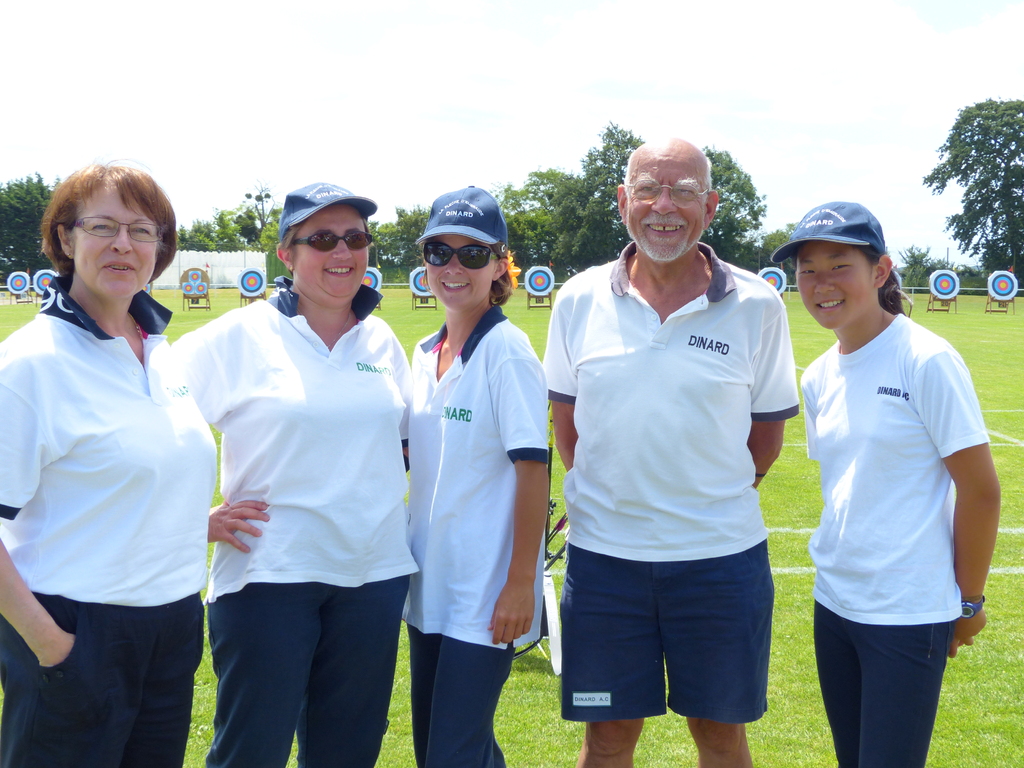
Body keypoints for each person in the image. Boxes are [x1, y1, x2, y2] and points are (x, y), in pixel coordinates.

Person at [543, 139, 799, 768]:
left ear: (709, 207)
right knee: (606, 738)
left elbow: (765, 441)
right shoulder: (577, 298)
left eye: (684, 191)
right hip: (604, 565)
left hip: (721, 563)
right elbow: (568, 427)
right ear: (623, 201)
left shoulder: (757, 306)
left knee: (720, 736)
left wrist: (701, 500)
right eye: (648, 190)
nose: (664, 206)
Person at [173, 183, 417, 768]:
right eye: (322, 239)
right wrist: (190, 520)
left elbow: (403, 444)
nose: (343, 252)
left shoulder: (380, 339)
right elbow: (156, 426)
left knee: (348, 752)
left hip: (372, 576)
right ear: (286, 253)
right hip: (269, 577)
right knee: (252, 751)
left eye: (355, 238)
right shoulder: (240, 334)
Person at [0, 164, 217, 768]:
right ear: (65, 240)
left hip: (172, 624)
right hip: (75, 626)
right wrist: (52, 646)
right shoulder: (29, 364)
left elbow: (123, 477)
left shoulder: (158, 350)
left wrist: (196, 522)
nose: (124, 244)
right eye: (102, 226)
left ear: (160, 249)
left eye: (142, 231)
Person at [770, 202, 1000, 768]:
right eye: (807, 269)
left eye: (838, 265)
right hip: (835, 604)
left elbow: (981, 491)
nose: (821, 283)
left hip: (907, 613)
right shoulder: (817, 375)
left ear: (880, 271)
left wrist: (969, 600)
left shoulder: (926, 360)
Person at [404, 187, 549, 768]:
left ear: (499, 266)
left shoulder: (507, 351)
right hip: (428, 584)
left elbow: (533, 471)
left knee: (453, 754)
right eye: (439, 252)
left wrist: (521, 584)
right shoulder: (422, 352)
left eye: (472, 254)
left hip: (486, 594)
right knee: (437, 750)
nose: (453, 267)